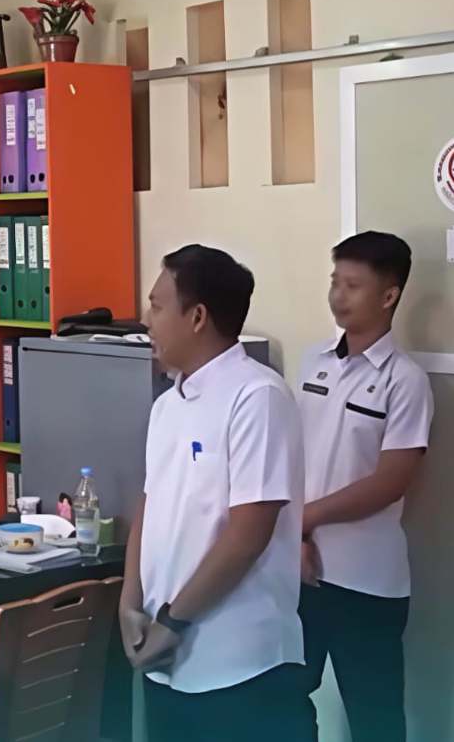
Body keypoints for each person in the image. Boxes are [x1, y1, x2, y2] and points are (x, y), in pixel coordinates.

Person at [119, 244, 309, 742]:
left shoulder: (257, 396)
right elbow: (150, 503)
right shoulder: (168, 405)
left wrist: (174, 621)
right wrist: (129, 601)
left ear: (197, 317)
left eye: (157, 306)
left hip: (241, 665)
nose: (146, 321)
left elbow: (248, 534)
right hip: (168, 658)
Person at [297, 232, 433, 742]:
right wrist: (295, 535)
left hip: (367, 584)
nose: (338, 295)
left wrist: (305, 519)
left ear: (389, 295)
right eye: (335, 281)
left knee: (375, 719)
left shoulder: (406, 380)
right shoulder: (314, 362)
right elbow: (290, 460)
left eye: (353, 285)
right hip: (302, 571)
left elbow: (390, 482)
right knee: (284, 700)